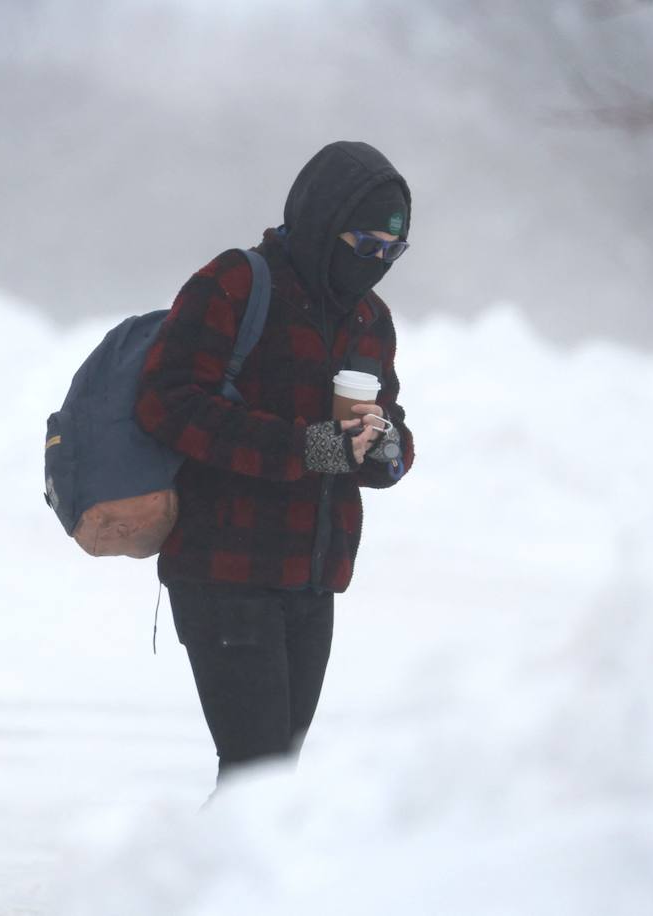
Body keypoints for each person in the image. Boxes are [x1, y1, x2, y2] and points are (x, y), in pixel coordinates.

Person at [135, 140, 416, 789]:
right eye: (364, 244)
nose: (376, 264)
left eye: (392, 251)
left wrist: (385, 447)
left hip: (314, 579)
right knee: (256, 778)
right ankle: (180, 862)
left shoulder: (370, 319)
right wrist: (309, 447)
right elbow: (166, 403)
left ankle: (214, 861)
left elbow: (390, 427)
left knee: (272, 785)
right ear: (322, 222)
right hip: (224, 573)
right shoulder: (237, 285)